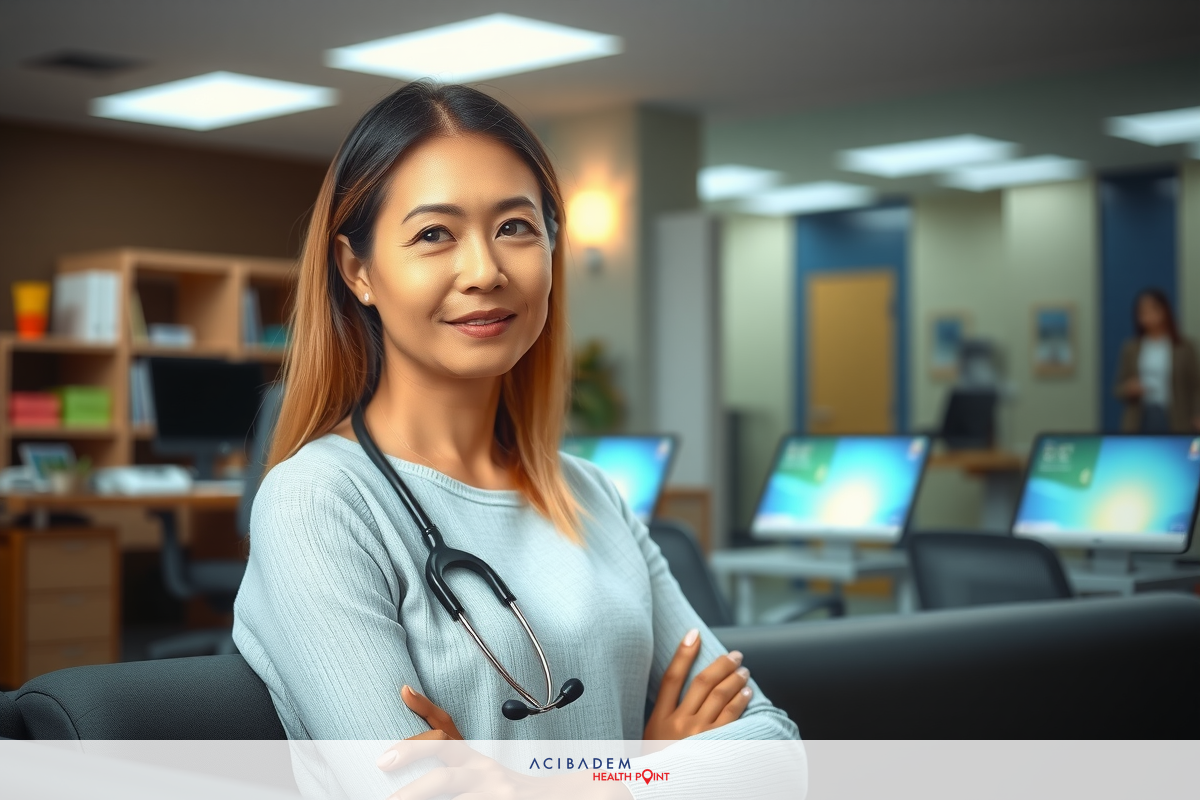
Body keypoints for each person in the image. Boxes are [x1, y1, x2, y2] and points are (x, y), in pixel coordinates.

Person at [232, 82, 800, 798]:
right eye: (434, 234)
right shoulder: (318, 502)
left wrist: (515, 782)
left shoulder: (590, 496)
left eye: (515, 227)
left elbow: (776, 753)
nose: (485, 271)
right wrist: (643, 771)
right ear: (358, 271)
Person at [1114, 289, 1200, 433]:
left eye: (1152, 309)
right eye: (1142, 312)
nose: (1147, 316)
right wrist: (1129, 388)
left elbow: (1196, 385)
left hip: (1175, 415)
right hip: (1141, 415)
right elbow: (1118, 387)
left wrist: (1197, 413)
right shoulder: (1131, 348)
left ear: (1164, 311)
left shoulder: (1184, 347)